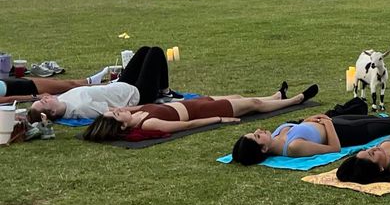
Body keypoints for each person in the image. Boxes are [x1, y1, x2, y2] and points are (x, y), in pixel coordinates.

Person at [230, 100, 390, 164]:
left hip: (333, 122)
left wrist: (310, 119)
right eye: (257, 136)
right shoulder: (293, 148)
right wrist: (328, 125)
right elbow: (334, 148)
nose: (259, 130)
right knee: (382, 127)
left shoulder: (278, 134)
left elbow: (301, 126)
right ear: (264, 148)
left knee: (373, 118)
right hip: (341, 132)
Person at [82, 83, 318, 142]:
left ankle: (276, 97)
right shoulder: (147, 125)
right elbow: (185, 126)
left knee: (238, 97)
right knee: (253, 104)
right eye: (116, 116)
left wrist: (110, 112)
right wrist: (219, 119)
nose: (118, 111)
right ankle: (296, 100)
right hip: (203, 110)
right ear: (122, 126)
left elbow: (116, 109)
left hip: (197, 102)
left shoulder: (136, 113)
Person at [27, 46, 173, 121]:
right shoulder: (80, 108)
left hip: (119, 86)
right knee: (156, 52)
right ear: (52, 112)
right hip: (138, 94)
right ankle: (166, 93)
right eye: (44, 102)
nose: (44, 98)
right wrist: (149, 107)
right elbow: (114, 110)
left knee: (144, 50)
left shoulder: (60, 99)